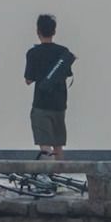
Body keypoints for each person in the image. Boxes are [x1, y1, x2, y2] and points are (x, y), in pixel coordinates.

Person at [24, 13, 76, 158]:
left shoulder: (33, 53)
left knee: (45, 145)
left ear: (38, 31)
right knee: (58, 145)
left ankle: (48, 177)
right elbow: (67, 74)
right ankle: (59, 174)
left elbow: (28, 80)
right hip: (60, 104)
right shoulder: (63, 52)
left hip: (41, 104)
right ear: (54, 31)